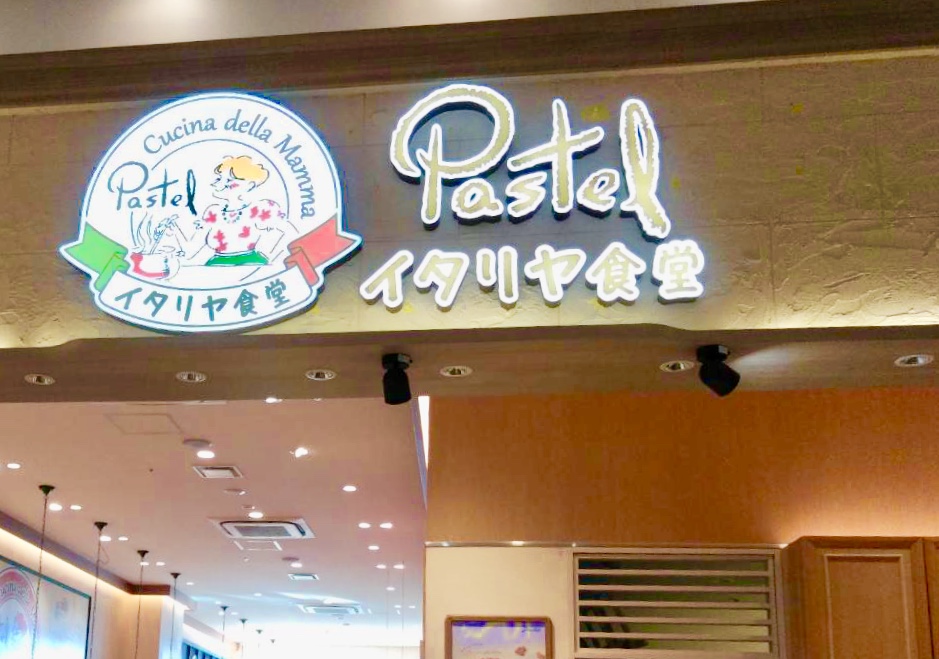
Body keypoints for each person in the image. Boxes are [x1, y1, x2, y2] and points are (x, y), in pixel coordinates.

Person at [195, 155, 288, 266]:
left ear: (249, 185)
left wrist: (274, 257)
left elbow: (287, 232)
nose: (217, 184)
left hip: (251, 263)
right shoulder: (213, 212)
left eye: (229, 180)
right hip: (217, 264)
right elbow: (191, 249)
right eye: (219, 179)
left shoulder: (260, 209)